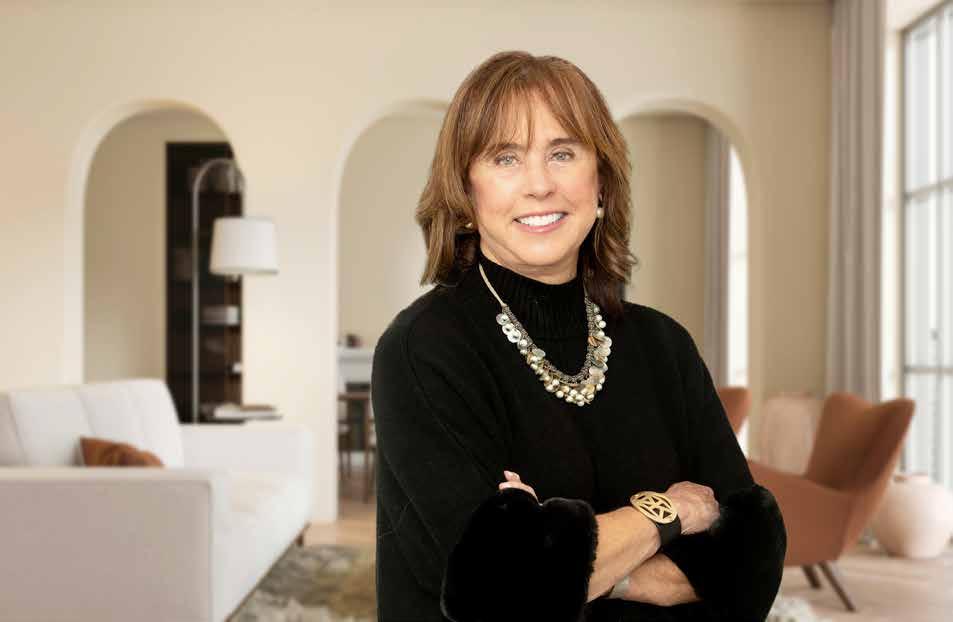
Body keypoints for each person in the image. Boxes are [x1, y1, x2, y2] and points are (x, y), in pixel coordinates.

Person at [371, 50, 786, 622]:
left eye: (562, 153)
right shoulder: (423, 349)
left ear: (602, 185)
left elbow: (751, 557)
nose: (540, 185)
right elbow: (500, 591)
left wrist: (576, 568)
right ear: (465, 194)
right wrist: (667, 515)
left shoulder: (664, 344)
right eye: (506, 158)